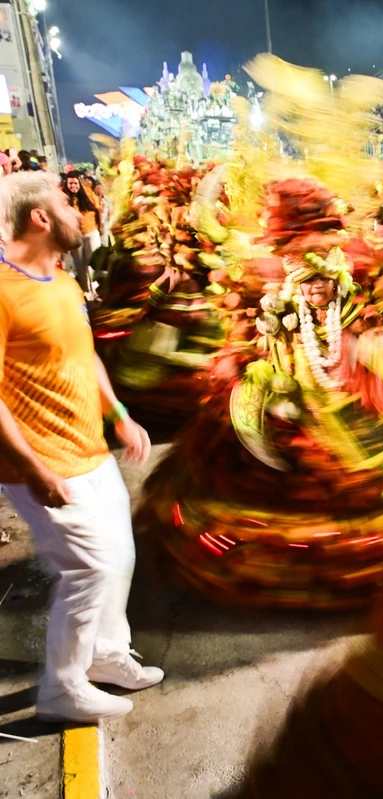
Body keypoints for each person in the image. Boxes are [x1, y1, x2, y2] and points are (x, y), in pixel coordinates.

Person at [0, 172, 159, 723]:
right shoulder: (1, 291)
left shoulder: (61, 281)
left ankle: (109, 656)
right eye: (67, 205)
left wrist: (117, 414)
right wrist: (31, 467)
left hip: (90, 450)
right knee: (91, 569)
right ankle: (62, 686)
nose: (80, 212)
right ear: (40, 218)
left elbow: (85, 355)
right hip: (42, 463)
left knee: (121, 558)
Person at [62, 171, 100, 296]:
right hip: (75, 236)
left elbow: (98, 210)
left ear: (80, 182)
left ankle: (96, 290)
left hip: (91, 232)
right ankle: (87, 291)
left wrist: (101, 227)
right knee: (80, 265)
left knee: (94, 262)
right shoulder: (64, 198)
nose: (73, 186)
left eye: (75, 183)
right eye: (70, 184)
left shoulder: (89, 193)